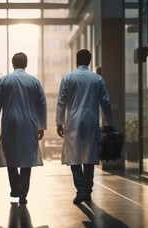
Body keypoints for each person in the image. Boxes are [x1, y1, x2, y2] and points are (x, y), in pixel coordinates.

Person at [56, 49, 114, 204]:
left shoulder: (68, 78)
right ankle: (87, 189)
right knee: (89, 156)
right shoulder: (97, 79)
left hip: (73, 119)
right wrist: (109, 123)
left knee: (74, 156)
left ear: (76, 60)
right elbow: (105, 102)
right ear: (89, 61)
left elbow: (61, 101)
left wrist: (59, 122)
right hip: (91, 119)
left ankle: (81, 190)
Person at [0, 52, 47, 204]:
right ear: (26, 64)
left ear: (12, 63)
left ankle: (15, 188)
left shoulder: (4, 80)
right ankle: (23, 192)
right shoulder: (34, 81)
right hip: (29, 122)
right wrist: (42, 126)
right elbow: (42, 104)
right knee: (27, 157)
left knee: (10, 155)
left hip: (10, 121)